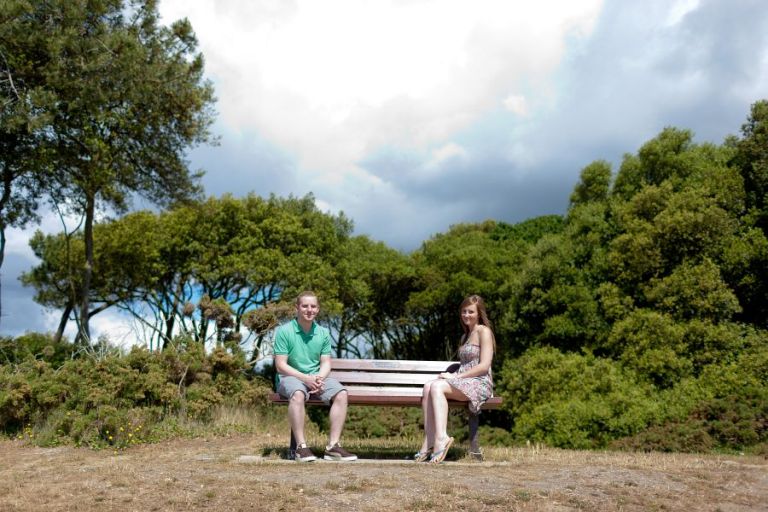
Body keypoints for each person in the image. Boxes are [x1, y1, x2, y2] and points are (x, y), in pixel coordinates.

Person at [274, 291, 358, 462]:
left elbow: (326, 362)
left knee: (341, 393)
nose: (309, 310)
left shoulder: (323, 333)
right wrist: (306, 379)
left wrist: (318, 378)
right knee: (297, 393)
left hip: (315, 378)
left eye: (313, 306)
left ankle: (333, 447)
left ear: (318, 309)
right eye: (305, 306)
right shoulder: (284, 331)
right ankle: (301, 448)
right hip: (289, 378)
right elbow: (281, 365)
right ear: (296, 307)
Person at [414, 294, 495, 463]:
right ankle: (429, 440)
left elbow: (484, 366)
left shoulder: (484, 332)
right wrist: (453, 376)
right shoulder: (464, 337)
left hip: (479, 382)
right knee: (429, 385)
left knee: (437, 387)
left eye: (471, 312)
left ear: (479, 313)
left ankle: (441, 438)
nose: (466, 315)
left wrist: (455, 376)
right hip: (464, 381)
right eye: (464, 311)